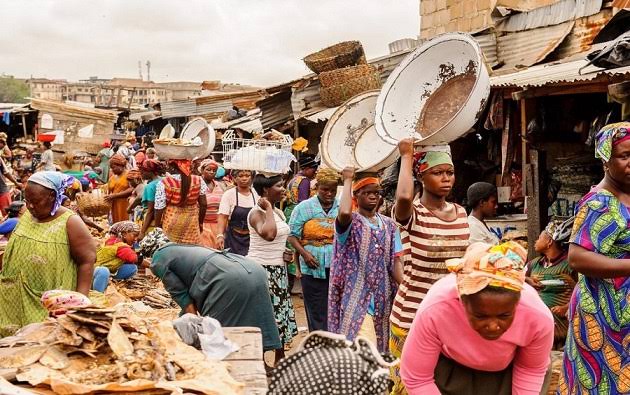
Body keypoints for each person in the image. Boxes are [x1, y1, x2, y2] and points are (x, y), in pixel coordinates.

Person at [400, 242, 554, 395]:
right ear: (462, 301)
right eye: (481, 316)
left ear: (517, 302)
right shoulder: (436, 309)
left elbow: (530, 369)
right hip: (450, 370)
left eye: (504, 315)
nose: (493, 326)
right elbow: (417, 378)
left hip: (510, 372)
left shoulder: (537, 317)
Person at [390, 139, 470, 394]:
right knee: (411, 387)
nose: (446, 178)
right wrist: (406, 155)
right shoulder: (412, 213)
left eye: (450, 172)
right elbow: (403, 196)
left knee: (443, 385)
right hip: (412, 316)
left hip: (451, 317)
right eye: (437, 173)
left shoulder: (460, 213)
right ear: (421, 177)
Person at [558, 122, 630, 394]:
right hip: (602, 309)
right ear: (605, 160)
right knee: (603, 382)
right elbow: (577, 258)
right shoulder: (599, 202)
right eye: (624, 156)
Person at [140, 229, 282, 355]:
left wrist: (187, 329)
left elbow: (182, 296)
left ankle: (238, 366)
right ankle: (267, 361)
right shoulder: (182, 248)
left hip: (226, 278)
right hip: (252, 268)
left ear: (150, 252)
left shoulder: (159, 258)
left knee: (219, 332)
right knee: (258, 316)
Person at [0, 172, 96, 334]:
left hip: (46, 302)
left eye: (35, 201)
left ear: (52, 196)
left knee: (39, 339)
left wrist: (80, 303)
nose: (29, 206)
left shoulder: (70, 222)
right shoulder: (28, 215)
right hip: (13, 298)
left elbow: (87, 261)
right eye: (27, 201)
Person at [328, 168, 403, 353]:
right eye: (366, 193)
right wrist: (347, 180)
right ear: (356, 196)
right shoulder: (350, 223)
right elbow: (344, 212)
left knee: (382, 350)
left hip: (384, 298)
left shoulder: (390, 225)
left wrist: (406, 288)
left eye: (376, 193)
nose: (372, 197)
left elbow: (396, 263)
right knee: (364, 347)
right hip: (356, 298)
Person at [247, 174, 297, 365]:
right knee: (264, 315)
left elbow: (278, 239)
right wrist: (267, 207)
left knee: (280, 314)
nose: (284, 189)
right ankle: (259, 361)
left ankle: (279, 359)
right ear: (266, 190)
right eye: (279, 186)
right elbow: (269, 234)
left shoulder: (278, 212)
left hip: (278, 270)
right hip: (261, 270)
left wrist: (285, 252)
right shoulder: (256, 213)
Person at [287, 168, 340, 331]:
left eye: (333, 190)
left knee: (335, 308)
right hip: (311, 266)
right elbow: (292, 236)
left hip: (337, 267)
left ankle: (333, 346)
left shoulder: (341, 207)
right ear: (317, 188)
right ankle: (316, 344)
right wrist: (305, 254)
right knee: (315, 308)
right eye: (325, 189)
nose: (329, 193)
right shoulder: (304, 208)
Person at [526, 217, 576, 349]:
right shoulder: (533, 264)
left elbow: (583, 291)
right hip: (536, 331)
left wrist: (566, 307)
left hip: (562, 335)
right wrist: (527, 281)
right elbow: (518, 284)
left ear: (549, 241)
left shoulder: (570, 265)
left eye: (539, 237)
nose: (536, 241)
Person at [284, 155, 319, 288]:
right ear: (306, 168)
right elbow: (303, 202)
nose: (315, 172)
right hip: (298, 213)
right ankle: (297, 277)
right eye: (313, 169)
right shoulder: (304, 181)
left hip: (290, 211)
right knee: (298, 244)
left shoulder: (293, 179)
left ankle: (291, 281)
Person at [154, 160, 207, 244]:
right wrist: (200, 222)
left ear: (171, 167)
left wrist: (157, 226)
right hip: (192, 222)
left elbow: (159, 207)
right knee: (191, 250)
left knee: (171, 249)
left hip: (171, 221)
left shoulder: (165, 183)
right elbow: (203, 204)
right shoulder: (198, 180)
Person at [92, 221, 143, 292]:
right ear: (124, 234)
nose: (135, 239)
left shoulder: (111, 240)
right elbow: (135, 259)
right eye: (134, 235)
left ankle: (109, 282)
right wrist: (153, 265)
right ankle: (98, 293)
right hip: (93, 274)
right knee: (103, 271)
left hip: (104, 270)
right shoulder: (120, 246)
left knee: (132, 268)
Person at [217, 170, 258, 255]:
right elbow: (223, 217)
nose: (244, 179)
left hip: (252, 239)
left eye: (247, 176)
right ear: (235, 178)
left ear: (252, 178)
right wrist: (220, 235)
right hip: (233, 239)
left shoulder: (256, 194)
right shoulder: (229, 194)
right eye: (241, 176)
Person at [199, 159, 226, 249]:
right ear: (202, 170)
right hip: (202, 225)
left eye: (214, 171)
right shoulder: (196, 184)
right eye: (208, 169)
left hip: (218, 227)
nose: (211, 172)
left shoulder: (220, 186)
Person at [138, 159, 163, 239]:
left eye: (142, 171)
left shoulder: (150, 186)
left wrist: (142, 232)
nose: (141, 174)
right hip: (165, 219)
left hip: (154, 221)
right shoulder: (164, 180)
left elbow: (151, 210)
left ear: (149, 172)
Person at [105, 153, 133, 224]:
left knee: (125, 224)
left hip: (125, 204)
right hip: (114, 205)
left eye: (113, 167)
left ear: (120, 165)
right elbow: (109, 191)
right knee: (116, 224)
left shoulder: (129, 175)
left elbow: (132, 189)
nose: (112, 170)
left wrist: (115, 195)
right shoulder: (112, 178)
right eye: (111, 168)